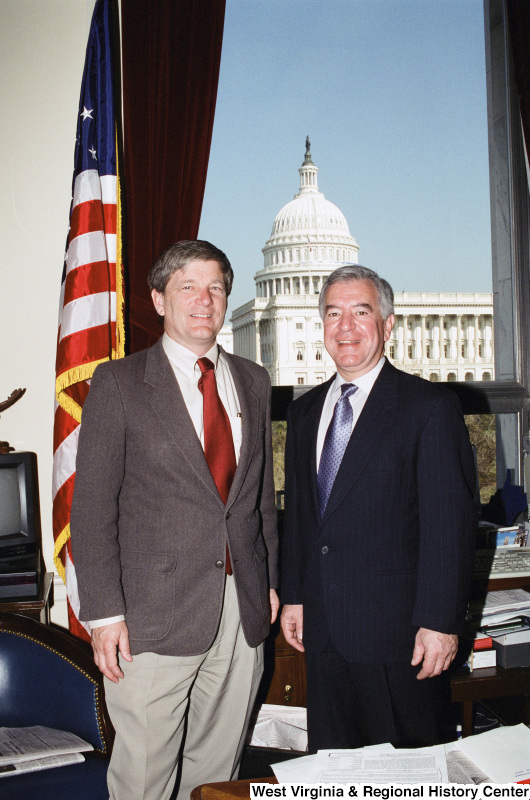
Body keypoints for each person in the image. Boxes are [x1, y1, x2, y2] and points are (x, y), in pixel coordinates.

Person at [70, 240, 279, 800]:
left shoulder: (254, 382)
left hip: (242, 609)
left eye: (215, 287)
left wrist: (271, 583)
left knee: (216, 772)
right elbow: (91, 510)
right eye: (188, 286)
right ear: (159, 299)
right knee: (143, 777)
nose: (204, 299)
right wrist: (104, 614)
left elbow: (259, 500)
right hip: (149, 616)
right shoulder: (118, 384)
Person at [280, 265, 476, 751]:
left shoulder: (428, 407)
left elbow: (448, 528)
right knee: (335, 772)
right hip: (324, 636)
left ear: (387, 326)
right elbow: (304, 519)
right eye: (332, 313)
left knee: (407, 777)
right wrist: (295, 594)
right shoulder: (305, 413)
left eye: (360, 313)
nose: (345, 327)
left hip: (402, 638)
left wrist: (441, 622)